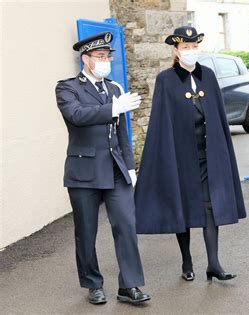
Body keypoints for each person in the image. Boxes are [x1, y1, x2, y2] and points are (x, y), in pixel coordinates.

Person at [134, 26, 246, 281]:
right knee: (182, 207)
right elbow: (162, 121)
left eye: (194, 46)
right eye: (186, 47)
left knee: (210, 207)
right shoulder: (166, 79)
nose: (191, 51)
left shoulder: (208, 75)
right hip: (180, 155)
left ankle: (214, 264)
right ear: (176, 50)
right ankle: (186, 262)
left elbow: (217, 114)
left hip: (208, 153)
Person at [55, 32, 151, 304]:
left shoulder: (114, 89)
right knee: (86, 232)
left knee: (126, 225)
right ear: (86, 59)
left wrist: (131, 167)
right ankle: (93, 283)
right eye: (100, 56)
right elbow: (77, 115)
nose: (106, 60)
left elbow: (122, 133)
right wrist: (113, 108)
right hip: (84, 172)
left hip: (115, 170)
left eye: (108, 56)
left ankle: (129, 285)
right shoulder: (68, 88)